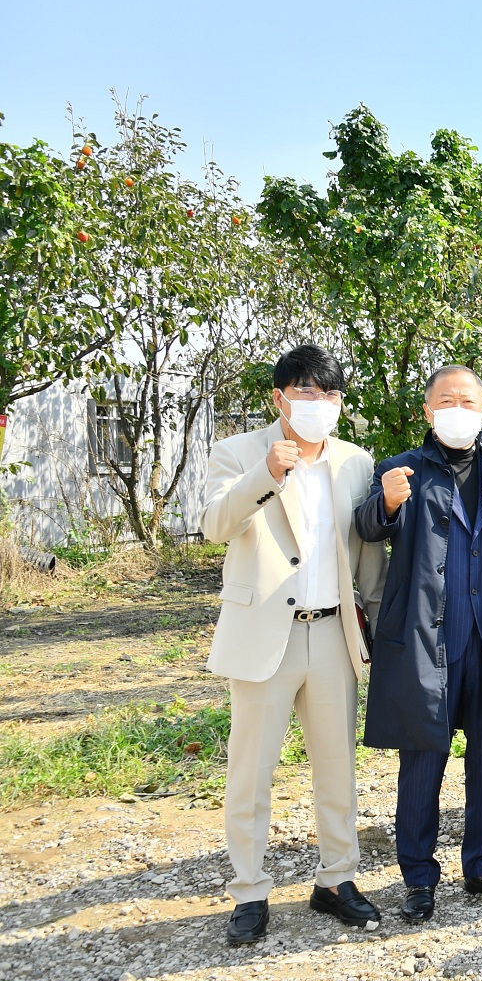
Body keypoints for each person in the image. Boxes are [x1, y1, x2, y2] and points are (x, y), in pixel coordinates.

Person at [200, 345, 387, 947]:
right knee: (251, 769)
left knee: (337, 766)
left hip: (333, 631)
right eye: (306, 392)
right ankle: (249, 891)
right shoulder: (239, 452)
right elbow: (214, 526)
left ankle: (336, 879)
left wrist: (377, 625)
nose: (319, 404)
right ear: (279, 397)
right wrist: (267, 475)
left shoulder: (357, 462)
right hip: (265, 636)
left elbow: (365, 552)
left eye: (330, 394)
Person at [356, 365, 482, 922]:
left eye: (470, 400)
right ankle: (418, 877)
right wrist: (386, 504)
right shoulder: (402, 470)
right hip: (426, 642)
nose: (458, 409)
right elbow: (366, 528)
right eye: (446, 400)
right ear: (428, 411)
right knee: (422, 762)